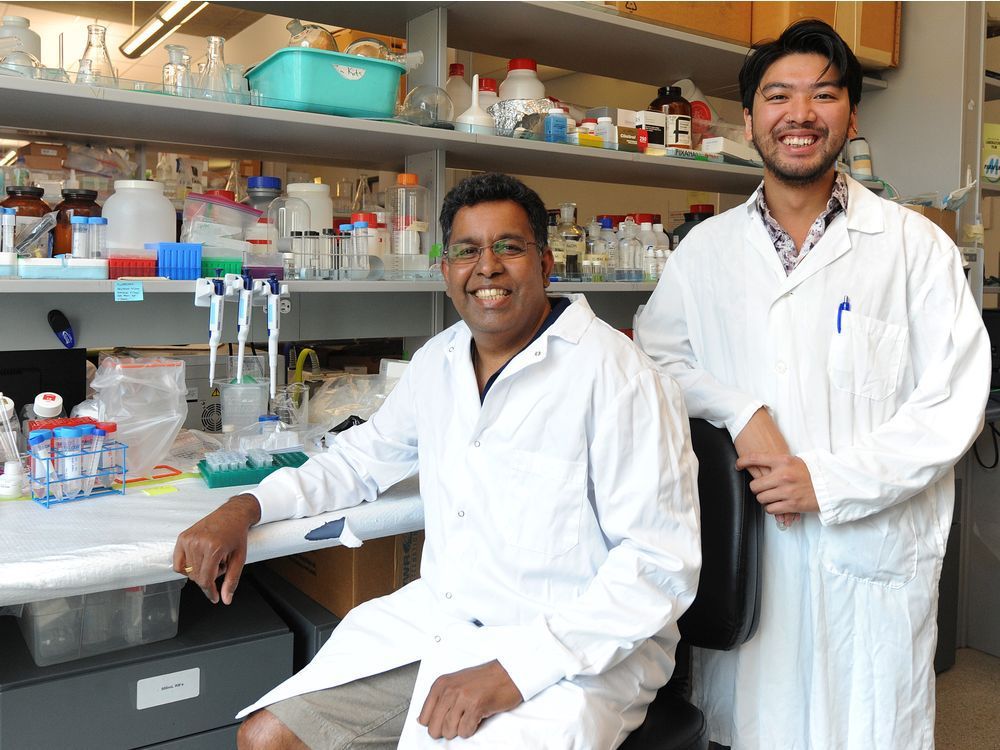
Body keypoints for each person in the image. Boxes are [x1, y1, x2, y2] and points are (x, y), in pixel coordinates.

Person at [175, 172, 701, 749]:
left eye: (509, 247)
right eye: (467, 251)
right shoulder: (440, 361)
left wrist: (513, 671)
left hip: (575, 653)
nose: (488, 267)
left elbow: (657, 566)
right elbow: (358, 461)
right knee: (268, 738)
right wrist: (246, 506)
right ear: (445, 268)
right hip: (445, 624)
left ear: (547, 263)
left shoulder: (621, 378)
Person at [635, 18, 990, 750]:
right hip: (753, 560)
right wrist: (740, 410)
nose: (799, 115)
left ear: (850, 117)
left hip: (869, 559)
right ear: (750, 118)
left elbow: (951, 404)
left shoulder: (914, 247)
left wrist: (824, 480)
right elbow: (656, 355)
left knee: (867, 728)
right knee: (750, 728)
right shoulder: (705, 251)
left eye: (822, 95)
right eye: (778, 96)